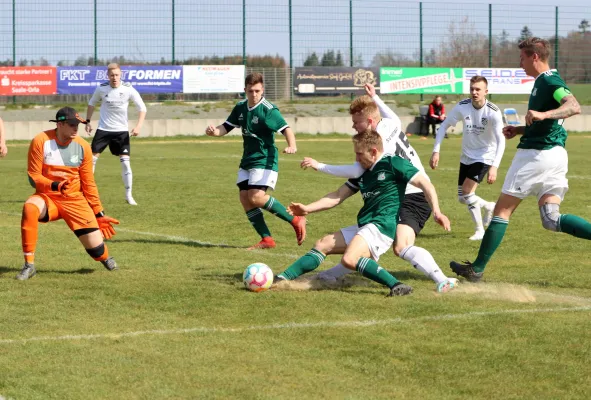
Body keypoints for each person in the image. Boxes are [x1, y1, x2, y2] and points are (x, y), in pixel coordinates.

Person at [450, 37, 589, 282]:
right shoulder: (542, 83)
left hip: (535, 156)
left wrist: (543, 113)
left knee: (502, 211)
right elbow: (550, 122)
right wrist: (520, 130)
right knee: (551, 218)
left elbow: (573, 106)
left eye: (522, 58)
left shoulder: (549, 81)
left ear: (534, 56)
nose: (520, 63)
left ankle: (477, 269)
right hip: (555, 155)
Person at [300, 84, 457, 292]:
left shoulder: (378, 146)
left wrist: (319, 165)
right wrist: (375, 97)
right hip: (398, 193)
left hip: (412, 194)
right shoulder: (391, 124)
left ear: (371, 122)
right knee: (368, 240)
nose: (354, 127)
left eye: (357, 122)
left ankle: (442, 280)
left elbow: (355, 170)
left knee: (401, 246)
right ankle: (331, 275)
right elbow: (391, 115)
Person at [275, 130, 452, 296]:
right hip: (366, 224)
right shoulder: (362, 171)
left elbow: (425, 184)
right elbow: (337, 196)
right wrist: (307, 208)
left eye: (359, 154)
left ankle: (397, 285)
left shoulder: (393, 163)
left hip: (382, 226)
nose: (357, 158)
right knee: (323, 244)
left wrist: (437, 211)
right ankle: (282, 278)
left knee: (350, 259)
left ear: (373, 151)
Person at [205, 72, 306, 250]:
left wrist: (292, 145)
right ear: (245, 90)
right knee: (245, 198)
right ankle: (267, 239)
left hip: (265, 158)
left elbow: (286, 129)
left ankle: (295, 219)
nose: (254, 94)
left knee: (256, 197)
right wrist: (213, 131)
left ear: (262, 90)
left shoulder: (268, 110)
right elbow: (226, 127)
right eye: (251, 91)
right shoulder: (240, 107)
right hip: (248, 160)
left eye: (257, 91)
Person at [18, 107, 120, 280]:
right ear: (60, 124)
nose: (76, 128)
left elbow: (88, 183)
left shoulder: (83, 147)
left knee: (97, 251)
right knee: (30, 207)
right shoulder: (40, 141)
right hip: (47, 198)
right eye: (72, 124)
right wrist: (54, 185)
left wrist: (99, 213)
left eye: (77, 125)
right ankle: (29, 265)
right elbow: (33, 176)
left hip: (75, 201)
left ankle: (105, 258)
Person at [429, 76, 505, 241]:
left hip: (485, 156)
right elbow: (443, 126)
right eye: (472, 89)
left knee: (467, 192)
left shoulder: (493, 111)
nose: (474, 92)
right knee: (462, 198)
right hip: (466, 156)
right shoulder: (462, 106)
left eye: (478, 89)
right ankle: (489, 206)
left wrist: (495, 166)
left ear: (486, 91)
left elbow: (501, 140)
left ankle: (480, 231)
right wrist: (436, 151)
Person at [85, 63, 147, 206]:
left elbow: (142, 107)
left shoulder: (128, 89)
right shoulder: (101, 88)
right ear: (108, 76)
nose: (114, 77)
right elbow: (91, 103)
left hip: (121, 132)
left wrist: (138, 126)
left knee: (125, 163)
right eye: (112, 75)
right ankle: (87, 194)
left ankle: (128, 195)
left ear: (121, 75)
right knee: (91, 161)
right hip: (103, 130)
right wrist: (87, 121)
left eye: (117, 75)